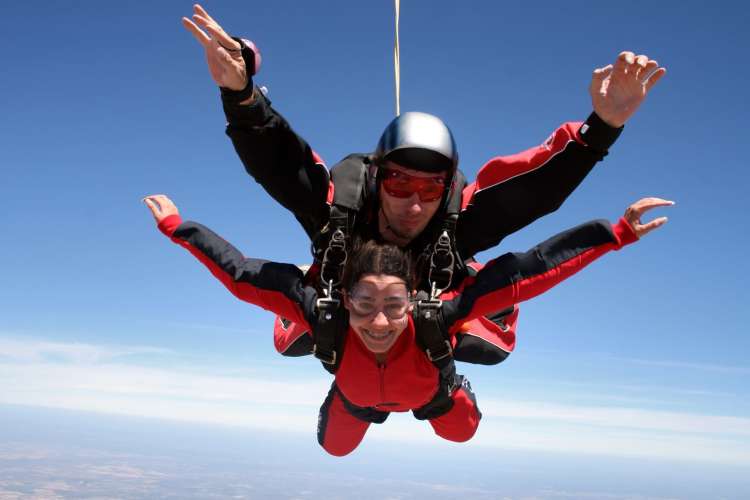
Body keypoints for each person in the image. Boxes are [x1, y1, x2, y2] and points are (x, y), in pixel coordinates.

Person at [180, 5, 667, 362]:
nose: (414, 203)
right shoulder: (340, 210)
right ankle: (304, 318)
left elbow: (532, 192)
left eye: (431, 189)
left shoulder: (457, 224)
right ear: (375, 178)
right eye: (398, 182)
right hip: (347, 304)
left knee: (485, 343)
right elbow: (282, 166)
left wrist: (601, 127)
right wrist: (241, 96)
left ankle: (473, 326)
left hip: (432, 307)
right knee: (303, 336)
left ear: (446, 189)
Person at [144, 193, 671, 456]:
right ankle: (361, 399)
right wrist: (176, 227)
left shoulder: (435, 318)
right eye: (364, 302)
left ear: (413, 299)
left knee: (461, 433)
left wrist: (613, 233)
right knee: (334, 449)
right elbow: (240, 274)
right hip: (356, 396)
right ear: (343, 298)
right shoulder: (321, 315)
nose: (378, 320)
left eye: (394, 305)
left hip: (430, 391)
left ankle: (452, 383)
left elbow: (525, 273)